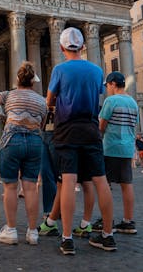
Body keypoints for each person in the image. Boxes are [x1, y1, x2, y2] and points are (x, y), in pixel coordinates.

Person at [45, 27, 115, 255]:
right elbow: (98, 94)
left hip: (66, 129)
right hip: (91, 128)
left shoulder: (59, 70)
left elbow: (49, 101)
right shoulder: (96, 71)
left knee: (68, 181)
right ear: (83, 47)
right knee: (100, 180)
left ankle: (67, 239)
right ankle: (108, 235)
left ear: (62, 47)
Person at [0, 61, 47, 245]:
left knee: (10, 187)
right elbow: (41, 124)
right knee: (31, 187)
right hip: (34, 141)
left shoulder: (9, 95)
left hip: (12, 140)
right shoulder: (41, 100)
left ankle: (11, 230)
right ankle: (32, 232)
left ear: (18, 79)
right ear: (33, 82)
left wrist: (0, 116)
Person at [98, 71, 139, 234]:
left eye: (107, 85)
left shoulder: (111, 100)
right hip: (127, 148)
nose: (107, 89)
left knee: (104, 185)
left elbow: (102, 126)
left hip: (111, 147)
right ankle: (128, 221)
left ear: (113, 84)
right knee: (126, 184)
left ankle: (106, 220)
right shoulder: (133, 102)